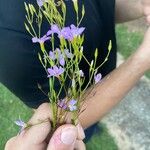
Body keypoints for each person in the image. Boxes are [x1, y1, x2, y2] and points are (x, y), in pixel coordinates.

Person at [1, 0, 150, 149]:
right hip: (81, 113)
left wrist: (142, 5)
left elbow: (101, 6)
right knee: (79, 132)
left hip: (97, 83)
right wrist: (143, 58)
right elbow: (63, 115)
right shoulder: (8, 44)